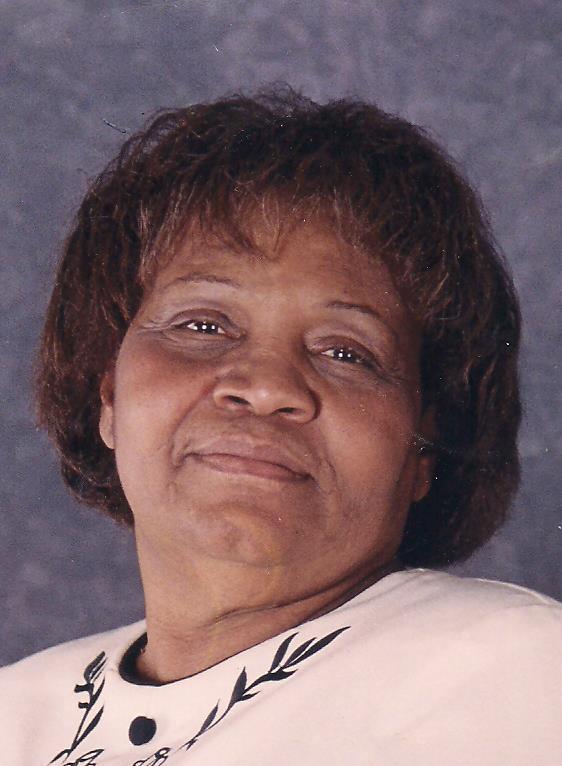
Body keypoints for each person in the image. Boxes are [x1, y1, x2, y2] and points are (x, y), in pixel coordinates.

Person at [2, 87, 560, 766]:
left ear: (424, 449)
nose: (266, 388)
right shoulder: (15, 714)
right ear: (110, 395)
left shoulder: (508, 672)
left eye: (346, 353)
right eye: (203, 326)